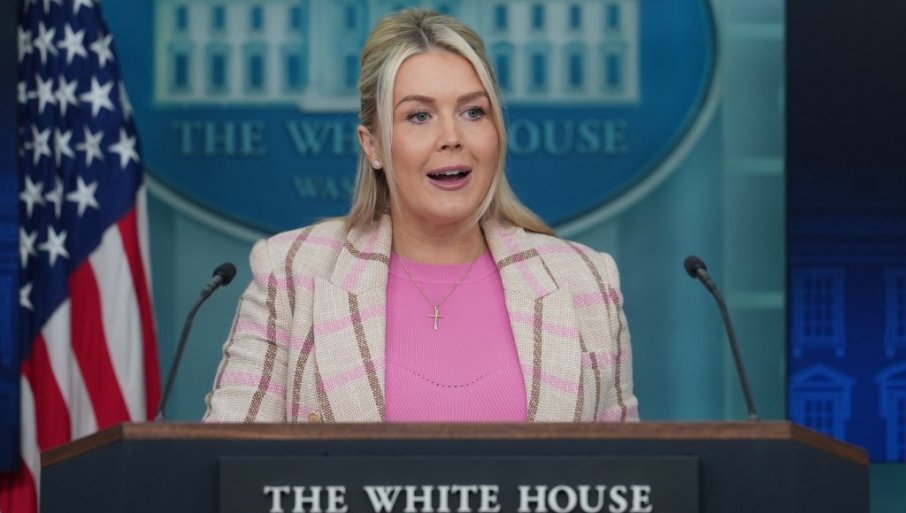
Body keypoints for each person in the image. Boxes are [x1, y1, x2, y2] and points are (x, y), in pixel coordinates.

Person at [204, 9, 638, 423]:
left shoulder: (585, 282)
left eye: (473, 111)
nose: (451, 137)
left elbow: (626, 467)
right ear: (372, 145)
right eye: (418, 116)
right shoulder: (291, 274)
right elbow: (227, 459)